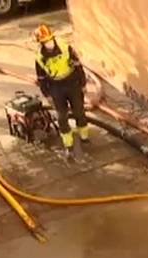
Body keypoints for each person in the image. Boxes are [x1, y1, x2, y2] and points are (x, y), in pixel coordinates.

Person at [33, 24, 90, 158]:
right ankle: (68, 145)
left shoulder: (65, 47)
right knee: (62, 117)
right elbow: (41, 78)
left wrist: (83, 84)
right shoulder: (40, 57)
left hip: (72, 83)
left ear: (52, 37)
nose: (47, 43)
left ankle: (84, 137)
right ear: (41, 43)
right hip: (55, 87)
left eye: (48, 40)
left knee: (79, 111)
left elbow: (78, 66)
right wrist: (47, 95)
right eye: (44, 41)